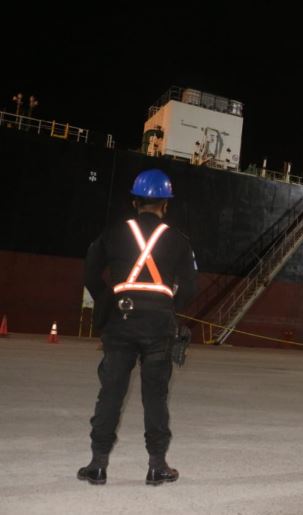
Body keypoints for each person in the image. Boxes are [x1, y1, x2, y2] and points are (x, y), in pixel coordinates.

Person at [79, 169, 198, 486]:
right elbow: (189, 288)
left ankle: (98, 465)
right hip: (159, 327)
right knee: (156, 398)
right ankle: (157, 466)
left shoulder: (114, 232)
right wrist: (166, 305)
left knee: (111, 395)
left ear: (135, 201)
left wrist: (107, 299)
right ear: (165, 205)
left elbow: (90, 272)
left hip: (120, 322)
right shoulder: (179, 241)